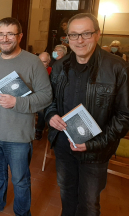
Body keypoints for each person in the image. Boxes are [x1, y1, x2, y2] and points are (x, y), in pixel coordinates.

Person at [44, 13, 129, 216]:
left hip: (96, 150)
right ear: (67, 38)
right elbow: (49, 101)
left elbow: (125, 115)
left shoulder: (118, 67)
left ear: (98, 34)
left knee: (89, 204)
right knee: (66, 195)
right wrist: (50, 114)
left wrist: (92, 144)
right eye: (74, 35)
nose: (79, 40)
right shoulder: (59, 66)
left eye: (86, 34)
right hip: (64, 146)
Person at [0, 17, 52, 216]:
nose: (5, 38)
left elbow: (46, 96)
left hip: (18, 137)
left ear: (20, 36)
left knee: (20, 180)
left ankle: (22, 213)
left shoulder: (33, 62)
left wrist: (18, 103)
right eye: (1, 34)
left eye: (10, 34)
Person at [35, 52, 52, 140]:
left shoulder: (52, 71)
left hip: (44, 97)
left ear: (49, 61)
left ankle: (39, 130)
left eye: (44, 62)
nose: (42, 64)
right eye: (40, 61)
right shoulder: (34, 70)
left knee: (42, 111)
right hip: (33, 95)